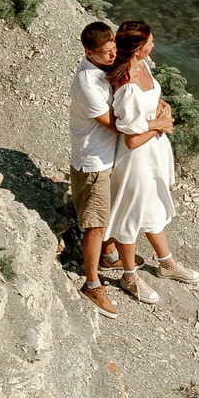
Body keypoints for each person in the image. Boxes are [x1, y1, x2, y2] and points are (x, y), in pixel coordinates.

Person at [102, 20, 199, 303]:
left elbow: (149, 102)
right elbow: (131, 139)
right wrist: (160, 125)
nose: (154, 45)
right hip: (137, 159)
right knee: (130, 216)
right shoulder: (127, 87)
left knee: (155, 207)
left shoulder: (143, 66)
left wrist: (161, 107)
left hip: (152, 152)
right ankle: (129, 275)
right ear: (137, 50)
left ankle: (166, 263)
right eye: (149, 42)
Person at [69, 21, 128, 315]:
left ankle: (109, 255)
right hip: (93, 163)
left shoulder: (104, 67)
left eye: (113, 48)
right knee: (96, 224)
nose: (112, 56)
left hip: (106, 157)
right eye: (105, 53)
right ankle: (92, 285)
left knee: (107, 212)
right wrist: (154, 124)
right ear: (88, 53)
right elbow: (115, 125)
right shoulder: (86, 85)